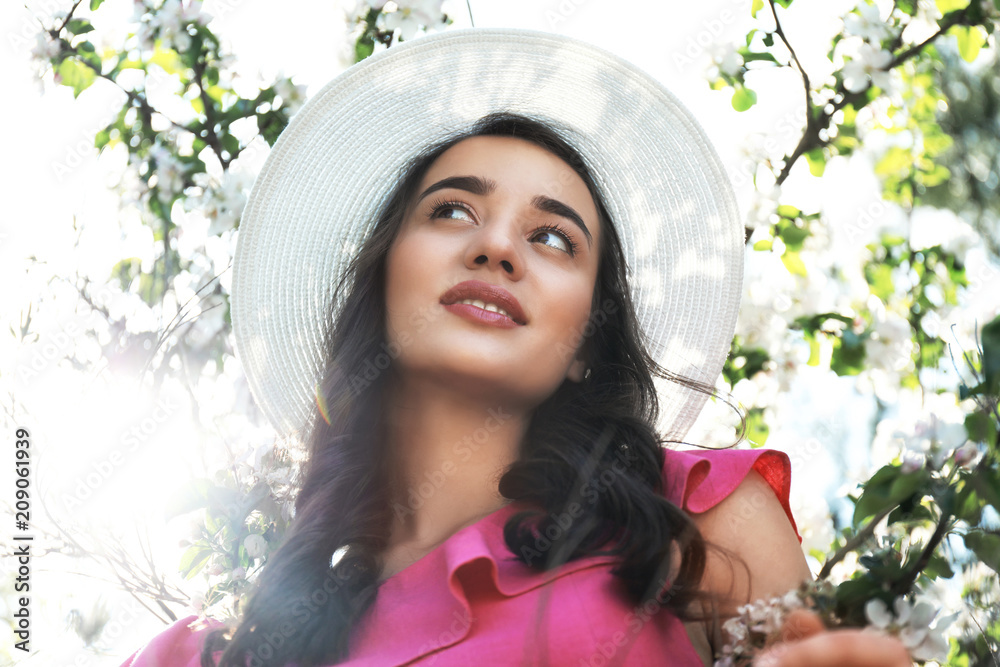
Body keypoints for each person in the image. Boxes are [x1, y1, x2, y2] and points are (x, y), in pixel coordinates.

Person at [120, 27, 910, 667]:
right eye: (454, 212)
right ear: (384, 278)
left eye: (554, 237)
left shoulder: (689, 512)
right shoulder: (204, 656)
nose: (498, 247)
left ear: (584, 346)